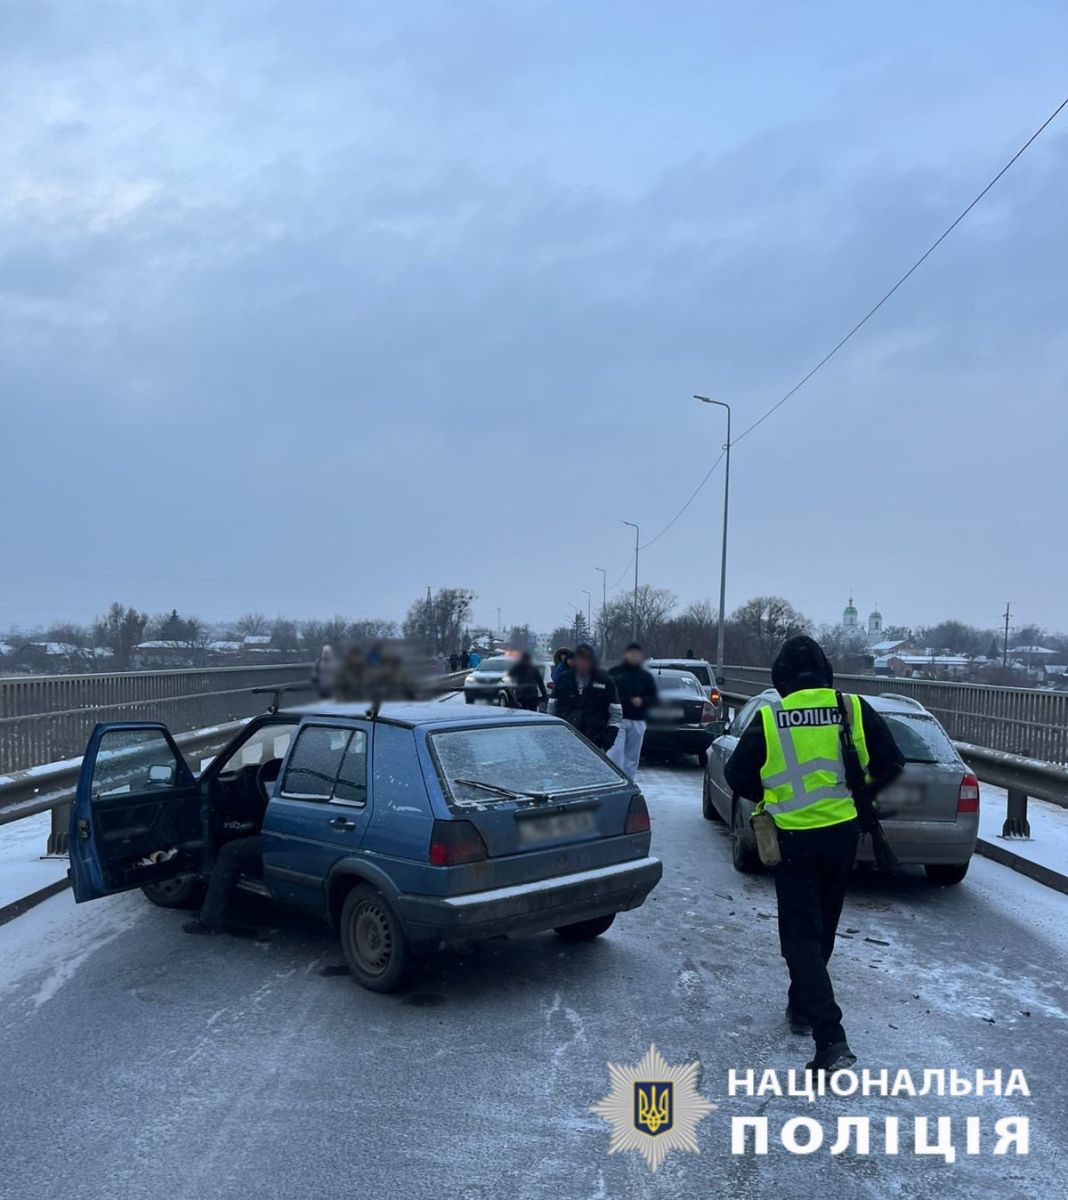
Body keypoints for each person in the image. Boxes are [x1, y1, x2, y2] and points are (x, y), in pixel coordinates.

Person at [724, 635, 903, 1075]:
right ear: (825, 671)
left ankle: (831, 1037)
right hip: (843, 835)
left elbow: (736, 775)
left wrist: (774, 796)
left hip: (793, 838)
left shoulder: (771, 716)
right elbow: (892, 763)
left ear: (781, 677)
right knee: (822, 928)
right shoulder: (852, 708)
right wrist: (862, 802)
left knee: (799, 939)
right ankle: (801, 1007)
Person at [551, 642, 621, 752]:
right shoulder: (563, 679)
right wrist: (554, 734)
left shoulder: (605, 680)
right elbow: (552, 708)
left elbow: (616, 713)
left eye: (586, 659)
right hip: (566, 739)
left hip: (595, 742)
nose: (582, 662)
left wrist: (607, 742)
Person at [607, 642, 658, 778]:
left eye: (637, 655)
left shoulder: (645, 677)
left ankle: (629, 781)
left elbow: (654, 698)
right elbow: (605, 693)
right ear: (626, 655)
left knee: (632, 757)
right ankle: (614, 780)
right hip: (618, 720)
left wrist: (643, 701)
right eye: (631, 654)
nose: (634, 657)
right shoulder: (615, 673)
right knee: (615, 753)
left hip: (638, 720)